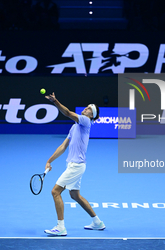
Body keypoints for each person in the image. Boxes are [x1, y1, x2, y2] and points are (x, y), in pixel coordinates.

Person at [44, 92, 105, 236]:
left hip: (76, 166)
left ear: (91, 115)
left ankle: (60, 227)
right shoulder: (74, 127)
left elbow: (67, 112)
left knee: (55, 192)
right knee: (75, 195)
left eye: (89, 108)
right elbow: (63, 147)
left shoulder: (85, 121)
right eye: (86, 106)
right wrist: (49, 161)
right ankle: (97, 222)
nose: (86, 108)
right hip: (75, 165)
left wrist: (55, 101)